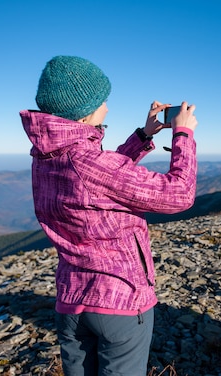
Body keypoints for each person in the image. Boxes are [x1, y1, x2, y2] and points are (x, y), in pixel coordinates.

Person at [19, 55, 198, 375]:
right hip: (119, 301)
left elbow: (98, 179)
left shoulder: (47, 156)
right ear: (85, 113)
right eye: (103, 101)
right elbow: (179, 195)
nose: (108, 107)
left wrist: (144, 136)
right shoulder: (87, 162)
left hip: (71, 300)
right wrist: (182, 135)